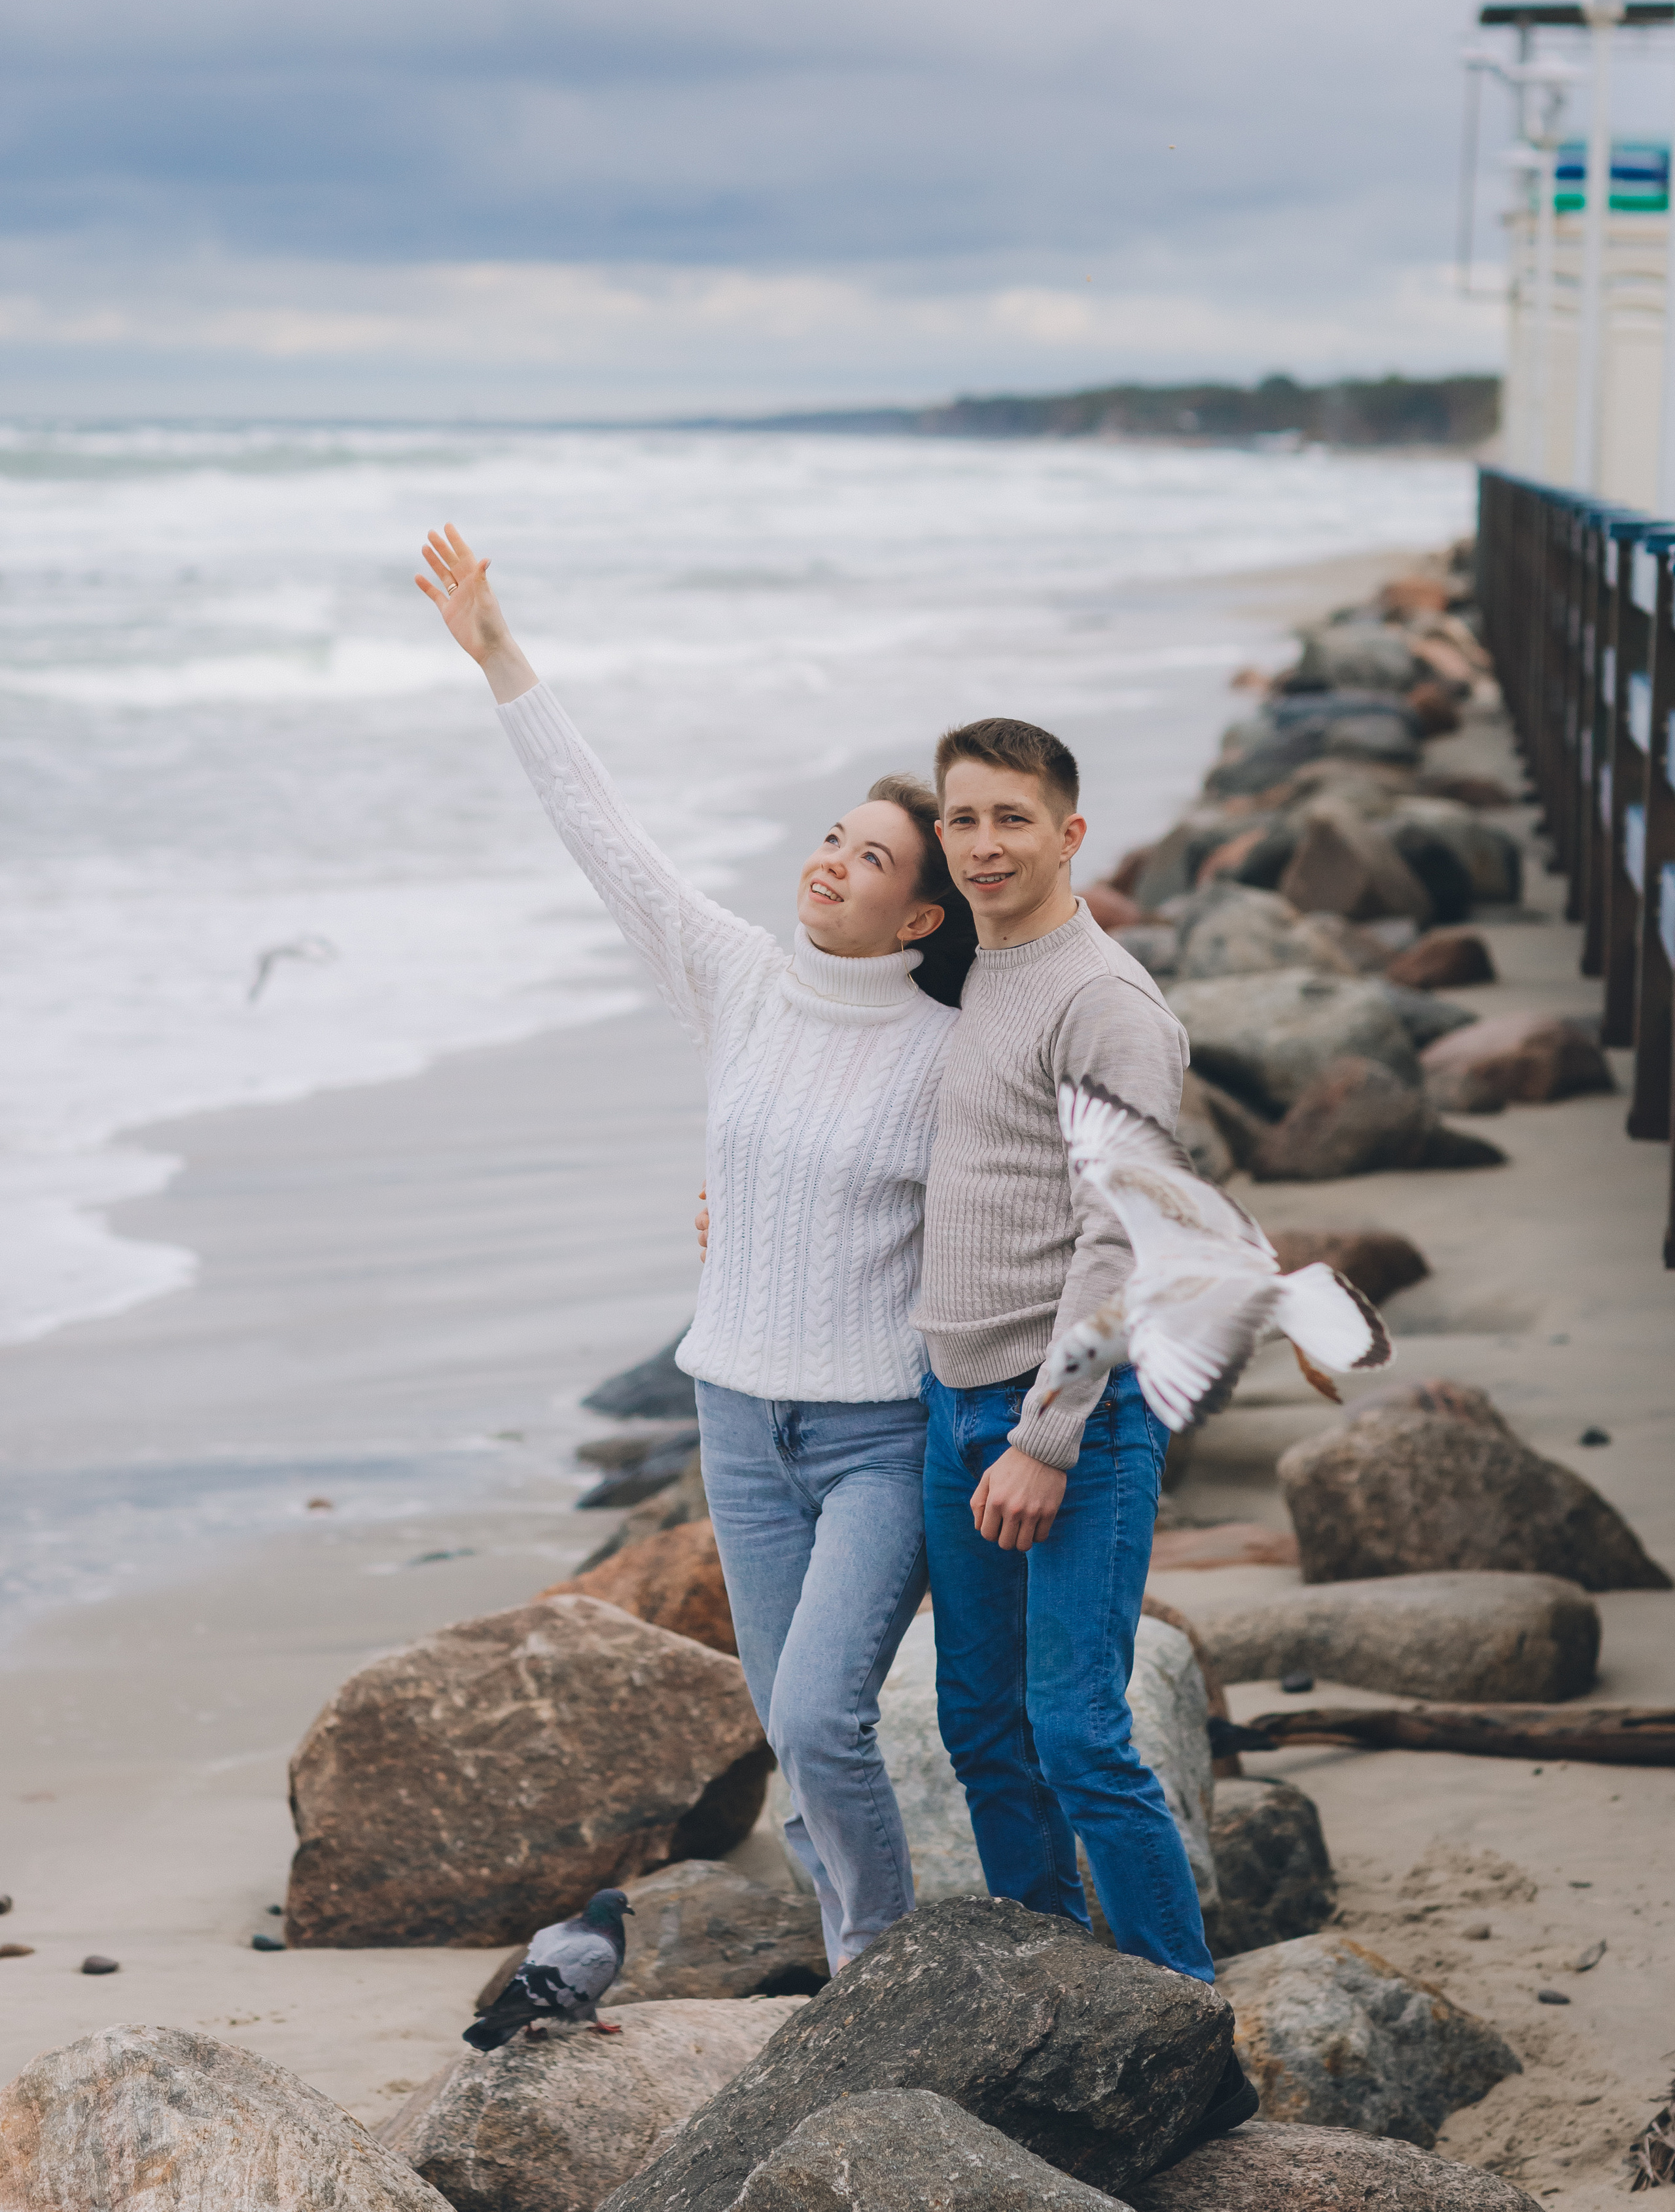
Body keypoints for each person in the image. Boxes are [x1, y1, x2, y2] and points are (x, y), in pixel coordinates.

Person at [415, 523, 977, 1971]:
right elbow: (604, 832)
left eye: (870, 859)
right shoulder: (733, 978)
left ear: (918, 914)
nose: (831, 865)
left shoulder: (947, 1052)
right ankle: (867, 1953)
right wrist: (499, 654)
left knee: (815, 1715)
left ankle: (879, 1964)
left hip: (873, 1433)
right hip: (735, 1419)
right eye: (831, 838)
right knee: (788, 1725)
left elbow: (1011, 1222)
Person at [915, 712, 1257, 2146]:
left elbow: (1119, 1242)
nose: (980, 845)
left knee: (1076, 1733)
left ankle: (1191, 2031)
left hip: (1068, 1419)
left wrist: (1043, 1438)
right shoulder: (977, 969)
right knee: (978, 1726)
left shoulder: (1105, 1001)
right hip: (951, 1399)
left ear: (1068, 833)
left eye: (1009, 819)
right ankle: (1045, 1991)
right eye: (959, 820)